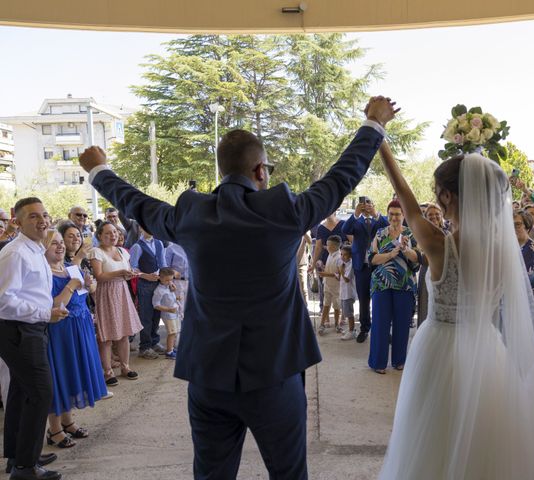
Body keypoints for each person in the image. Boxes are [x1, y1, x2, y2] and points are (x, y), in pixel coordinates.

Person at [78, 96, 396, 480]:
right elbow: (341, 177)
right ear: (260, 170)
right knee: (289, 473)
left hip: (209, 376)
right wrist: (374, 124)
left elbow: (138, 204)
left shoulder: (191, 215)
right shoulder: (285, 212)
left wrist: (98, 170)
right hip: (274, 373)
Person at [376, 143, 534, 479]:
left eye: (437, 192)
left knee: (432, 437)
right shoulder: (504, 251)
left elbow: (404, 197)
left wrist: (380, 141)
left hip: (439, 348)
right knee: (487, 439)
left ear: (447, 198)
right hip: (487, 348)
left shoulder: (439, 245)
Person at [0, 197, 67, 480]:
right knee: (40, 394)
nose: (42, 221)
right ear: (17, 221)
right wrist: (44, 313)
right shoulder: (15, 253)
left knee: (21, 391)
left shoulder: (35, 250)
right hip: (19, 330)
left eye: (45, 214)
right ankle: (26, 468)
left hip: (31, 327)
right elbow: (3, 301)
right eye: (33, 217)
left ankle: (18, 456)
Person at [43, 231, 107, 449]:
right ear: (43, 247)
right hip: (60, 331)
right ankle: (54, 429)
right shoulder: (43, 273)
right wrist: (71, 285)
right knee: (59, 375)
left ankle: (68, 422)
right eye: (54, 243)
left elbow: (88, 292)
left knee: (72, 373)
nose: (60, 247)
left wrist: (89, 285)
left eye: (61, 243)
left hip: (80, 327)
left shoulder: (70, 267)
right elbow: (54, 306)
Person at [88, 221, 143, 386]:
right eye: (108, 233)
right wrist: (120, 272)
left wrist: (130, 274)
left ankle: (125, 367)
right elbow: (99, 276)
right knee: (107, 336)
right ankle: (107, 372)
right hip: (106, 293)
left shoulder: (122, 251)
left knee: (124, 332)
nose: (113, 235)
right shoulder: (96, 252)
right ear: (99, 236)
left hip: (122, 291)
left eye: (115, 232)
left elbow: (125, 274)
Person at [368, 200, 419, 374]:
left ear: (404, 215)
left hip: (404, 285)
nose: (394, 217)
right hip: (381, 283)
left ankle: (399, 361)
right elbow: (372, 259)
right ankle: (378, 363)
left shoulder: (412, 234)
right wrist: (391, 253)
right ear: (387, 214)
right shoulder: (380, 233)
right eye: (391, 214)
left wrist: (405, 250)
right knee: (380, 324)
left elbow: (417, 259)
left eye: (397, 214)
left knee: (402, 324)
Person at [342, 197, 388, 343]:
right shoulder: (356, 221)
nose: (366, 206)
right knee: (363, 299)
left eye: (369, 204)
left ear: (373, 205)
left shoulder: (379, 220)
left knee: (380, 299)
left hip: (378, 265)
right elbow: (345, 230)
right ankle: (364, 328)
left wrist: (375, 214)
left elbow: (389, 229)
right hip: (361, 266)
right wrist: (355, 214)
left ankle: (382, 329)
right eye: (363, 204)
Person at [129, 228, 167, 359]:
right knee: (146, 315)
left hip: (158, 283)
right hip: (144, 284)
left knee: (157, 314)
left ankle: (154, 341)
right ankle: (145, 347)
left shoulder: (159, 243)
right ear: (140, 227)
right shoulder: (137, 246)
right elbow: (132, 268)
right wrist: (145, 276)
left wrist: (167, 280)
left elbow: (163, 264)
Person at [514, 209, 534, 303]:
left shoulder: (533, 247)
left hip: (527, 299)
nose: (513, 228)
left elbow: (522, 275)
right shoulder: (509, 245)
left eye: (517, 224)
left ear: (527, 227)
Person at [316, 235, 343, 335]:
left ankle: (337, 324)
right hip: (327, 285)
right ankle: (322, 324)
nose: (326, 246)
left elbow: (340, 275)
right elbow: (329, 269)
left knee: (336, 306)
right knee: (326, 305)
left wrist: (325, 274)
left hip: (336, 287)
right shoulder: (330, 255)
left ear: (333, 246)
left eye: (327, 245)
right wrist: (322, 268)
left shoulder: (339, 257)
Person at [152, 267, 180, 359]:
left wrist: (176, 296)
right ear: (160, 278)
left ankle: (170, 348)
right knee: (171, 333)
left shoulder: (169, 286)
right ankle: (169, 352)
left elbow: (169, 298)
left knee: (175, 332)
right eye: (167, 280)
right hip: (168, 315)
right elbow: (155, 305)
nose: (170, 282)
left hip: (174, 313)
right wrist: (168, 309)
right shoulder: (159, 290)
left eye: (171, 279)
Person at [338, 244, 357, 340]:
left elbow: (347, 279)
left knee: (349, 313)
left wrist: (341, 271)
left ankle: (351, 331)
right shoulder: (344, 264)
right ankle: (350, 329)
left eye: (344, 255)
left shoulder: (351, 264)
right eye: (341, 254)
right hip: (343, 293)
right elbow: (339, 278)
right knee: (346, 311)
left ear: (350, 255)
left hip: (349, 293)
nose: (342, 256)